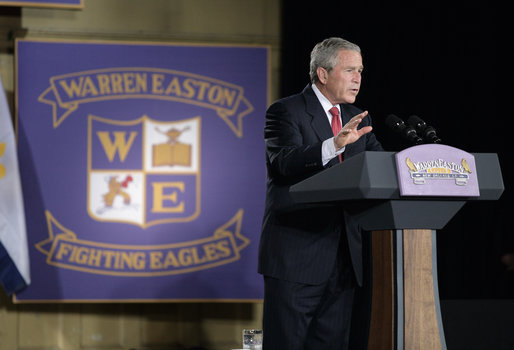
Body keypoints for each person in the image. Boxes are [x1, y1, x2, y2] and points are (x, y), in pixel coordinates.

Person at [258, 37, 383, 349]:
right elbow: (284, 162)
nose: (358, 78)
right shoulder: (285, 111)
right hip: (297, 258)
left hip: (344, 262)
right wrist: (334, 145)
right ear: (323, 74)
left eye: (361, 71)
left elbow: (382, 167)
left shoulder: (358, 118)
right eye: (350, 70)